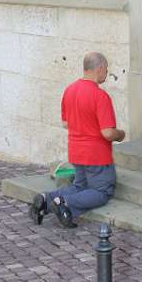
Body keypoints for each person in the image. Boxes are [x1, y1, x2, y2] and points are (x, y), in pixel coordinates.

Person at [29, 52, 125, 228]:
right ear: (100, 68)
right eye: (106, 69)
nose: (107, 73)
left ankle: (45, 200)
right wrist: (121, 134)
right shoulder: (100, 96)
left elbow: (66, 123)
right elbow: (108, 133)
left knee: (80, 186)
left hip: (76, 150)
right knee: (102, 191)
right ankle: (65, 204)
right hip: (97, 154)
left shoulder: (70, 90)